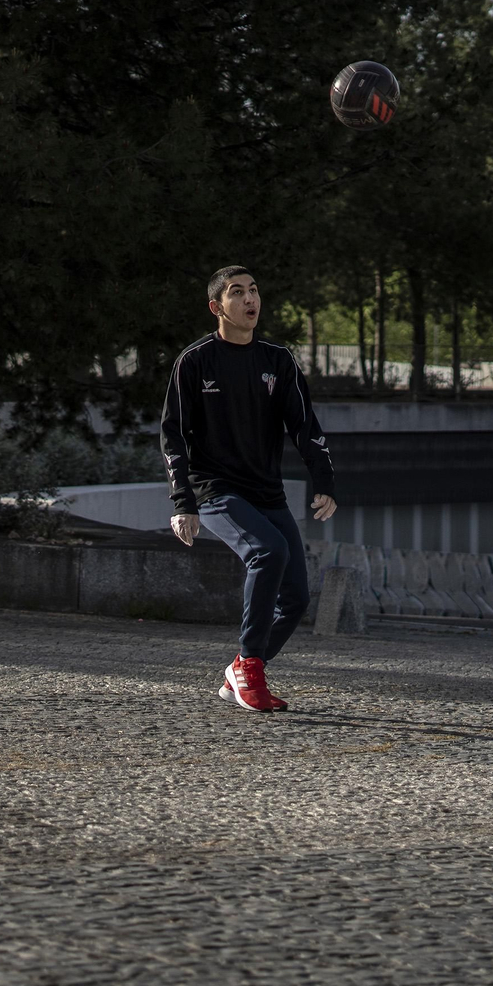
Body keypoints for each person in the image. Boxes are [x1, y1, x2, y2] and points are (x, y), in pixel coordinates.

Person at [160, 266, 337, 712]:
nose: (250, 299)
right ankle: (250, 670)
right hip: (214, 489)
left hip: (266, 490)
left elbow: (305, 427)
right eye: (237, 292)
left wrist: (325, 482)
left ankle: (242, 664)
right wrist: (183, 502)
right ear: (217, 307)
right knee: (268, 551)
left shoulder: (278, 360)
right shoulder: (195, 361)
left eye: (254, 289)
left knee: (296, 598)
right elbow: (173, 435)